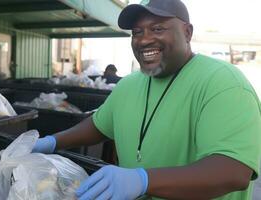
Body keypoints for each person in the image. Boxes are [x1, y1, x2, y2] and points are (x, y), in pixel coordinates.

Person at [32, 0, 261, 199]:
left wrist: (143, 180)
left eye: (157, 28)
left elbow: (233, 171)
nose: (143, 40)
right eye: (137, 32)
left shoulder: (223, 83)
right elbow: (100, 125)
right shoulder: (130, 84)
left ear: (188, 32)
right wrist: (51, 141)